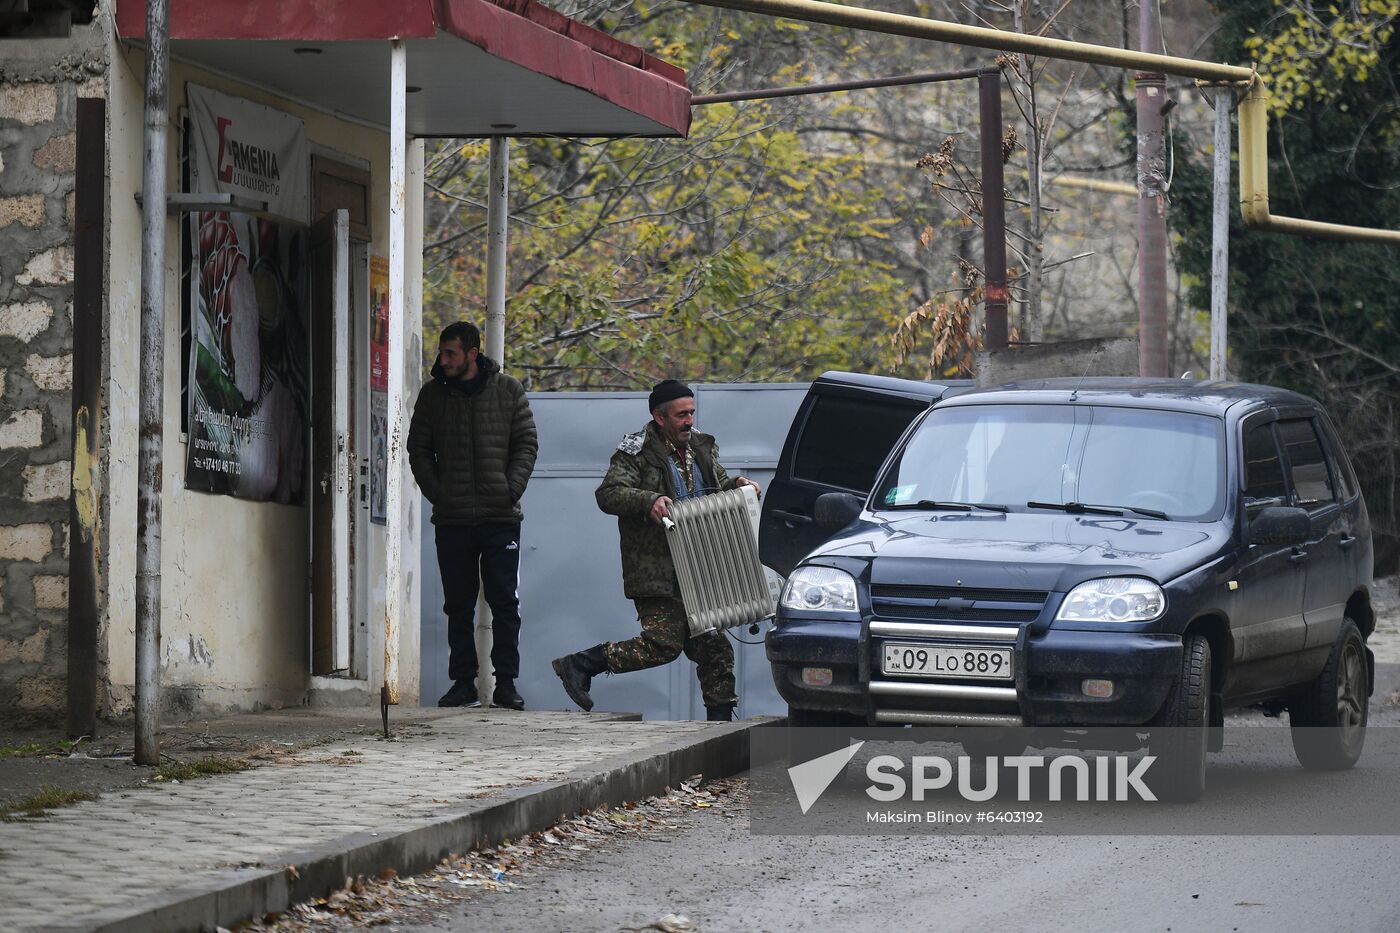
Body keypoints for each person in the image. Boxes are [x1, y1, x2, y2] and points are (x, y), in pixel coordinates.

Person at [551, 380, 760, 721]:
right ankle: (582, 663)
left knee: (715, 650)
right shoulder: (635, 451)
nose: (689, 421)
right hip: (656, 570)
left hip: (697, 567)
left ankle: (721, 731)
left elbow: (717, 483)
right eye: (681, 415)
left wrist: (739, 484)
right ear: (659, 417)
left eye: (691, 413)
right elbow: (608, 493)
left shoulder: (701, 447)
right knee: (664, 644)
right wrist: (647, 500)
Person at [408, 321, 538, 710]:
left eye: (451, 353)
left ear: (472, 353)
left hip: (501, 518)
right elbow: (418, 450)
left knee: (504, 603)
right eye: (441, 352)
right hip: (453, 519)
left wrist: (509, 489)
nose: (442, 360)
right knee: (457, 605)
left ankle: (507, 684)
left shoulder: (509, 390)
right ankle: (463, 682)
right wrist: (441, 495)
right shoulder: (432, 396)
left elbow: (527, 444)